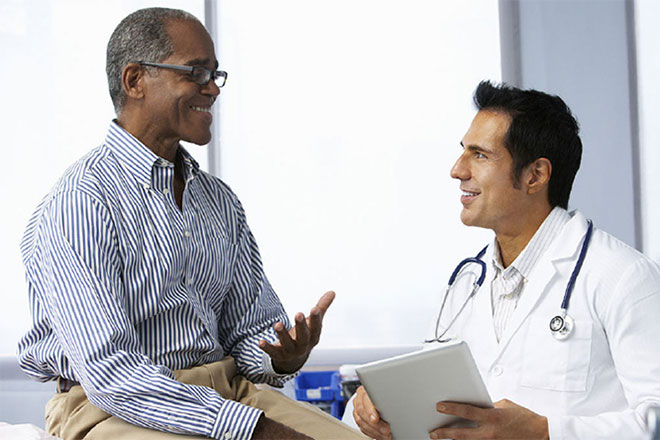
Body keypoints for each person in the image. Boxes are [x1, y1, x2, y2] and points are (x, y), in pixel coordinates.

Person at [16, 7, 364, 440]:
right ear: (135, 81)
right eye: (197, 73)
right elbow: (112, 374)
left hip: (229, 393)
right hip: (114, 407)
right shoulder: (81, 203)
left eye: (217, 75)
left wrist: (281, 359)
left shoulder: (218, 201)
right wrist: (253, 430)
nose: (214, 89)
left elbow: (248, 331)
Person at [352, 81, 660, 439]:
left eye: (479, 155)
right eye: (463, 151)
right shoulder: (465, 284)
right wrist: (385, 410)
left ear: (535, 175)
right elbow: (440, 412)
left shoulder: (623, 276)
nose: (457, 169)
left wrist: (546, 433)